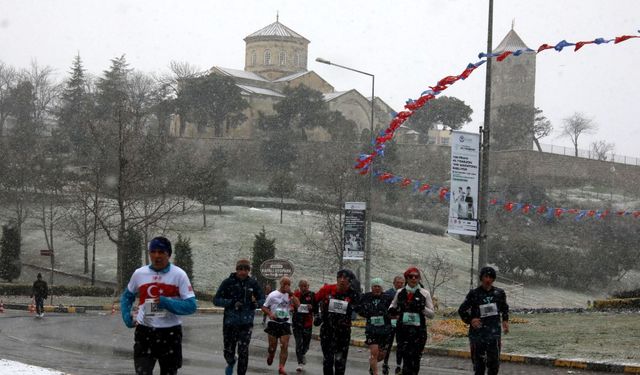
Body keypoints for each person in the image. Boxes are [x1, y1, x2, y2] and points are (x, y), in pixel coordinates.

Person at [120, 236, 197, 375]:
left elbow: (191, 306)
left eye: (161, 252)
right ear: (149, 253)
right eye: (153, 251)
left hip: (170, 334)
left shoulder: (179, 275)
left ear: (168, 254)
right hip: (145, 332)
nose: (157, 256)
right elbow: (127, 296)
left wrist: (166, 302)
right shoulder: (139, 274)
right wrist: (126, 316)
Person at [214, 259, 265, 375]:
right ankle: (231, 362)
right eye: (240, 269)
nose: (243, 272)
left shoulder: (253, 283)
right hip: (230, 323)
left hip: (246, 324)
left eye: (246, 269)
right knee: (228, 351)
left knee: (243, 352)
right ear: (237, 270)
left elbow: (262, 298)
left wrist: (256, 304)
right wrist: (231, 303)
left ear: (249, 270)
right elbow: (216, 300)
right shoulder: (228, 282)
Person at [458, 266, 509, 375]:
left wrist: (505, 320)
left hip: (494, 334)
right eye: (486, 276)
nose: (488, 280)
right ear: (481, 278)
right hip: (477, 335)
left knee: (494, 366)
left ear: (493, 279)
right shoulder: (474, 294)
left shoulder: (499, 293)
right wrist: (471, 320)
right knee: (479, 367)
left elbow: (504, 308)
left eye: (491, 277)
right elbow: (461, 310)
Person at [388, 267, 435, 375]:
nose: (413, 279)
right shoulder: (400, 292)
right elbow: (392, 306)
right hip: (403, 331)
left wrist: (422, 308)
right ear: (406, 278)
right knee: (406, 358)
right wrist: (392, 311)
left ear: (419, 279)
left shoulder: (424, 293)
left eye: (416, 276)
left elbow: (432, 314)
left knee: (415, 358)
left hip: (419, 332)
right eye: (411, 276)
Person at [315, 269, 361, 375]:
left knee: (340, 362)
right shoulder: (327, 289)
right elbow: (314, 300)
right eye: (340, 277)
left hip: (343, 332)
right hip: (327, 330)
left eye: (345, 278)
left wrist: (358, 294)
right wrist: (317, 315)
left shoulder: (353, 294)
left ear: (350, 281)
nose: (342, 280)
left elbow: (361, 309)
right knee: (328, 360)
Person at [262, 276, 300, 375]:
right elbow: (264, 307)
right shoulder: (273, 295)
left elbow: (298, 305)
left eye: (288, 284)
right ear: (281, 284)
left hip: (285, 322)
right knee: (272, 347)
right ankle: (271, 355)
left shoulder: (290, 295)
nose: (286, 286)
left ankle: (281, 367)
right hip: (273, 322)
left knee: (284, 345)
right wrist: (270, 314)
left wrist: (291, 294)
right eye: (285, 284)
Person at [357, 278, 394, 375]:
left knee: (382, 355)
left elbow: (393, 310)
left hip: (385, 329)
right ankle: (375, 373)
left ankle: (372, 365)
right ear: (372, 287)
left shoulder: (388, 297)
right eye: (375, 286)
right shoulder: (366, 297)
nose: (377, 288)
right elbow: (359, 309)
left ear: (382, 288)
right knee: (374, 352)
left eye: (379, 286)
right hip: (372, 329)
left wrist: (389, 315)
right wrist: (368, 313)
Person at [382, 275, 405, 375]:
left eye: (401, 283)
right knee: (388, 344)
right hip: (390, 322)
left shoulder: (405, 293)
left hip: (401, 323)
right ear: (394, 283)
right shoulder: (388, 294)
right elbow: (384, 309)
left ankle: (398, 365)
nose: (399, 284)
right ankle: (385, 363)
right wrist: (391, 317)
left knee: (401, 345)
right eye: (398, 282)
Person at [292, 279, 315, 372]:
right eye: (301, 286)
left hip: (307, 323)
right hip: (297, 322)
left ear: (308, 286)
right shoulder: (296, 294)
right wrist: (292, 307)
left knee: (306, 344)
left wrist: (312, 307)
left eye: (305, 286)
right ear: (299, 286)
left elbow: (315, 307)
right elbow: (292, 305)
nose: (303, 288)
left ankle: (303, 354)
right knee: (298, 343)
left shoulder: (312, 295)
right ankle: (300, 362)